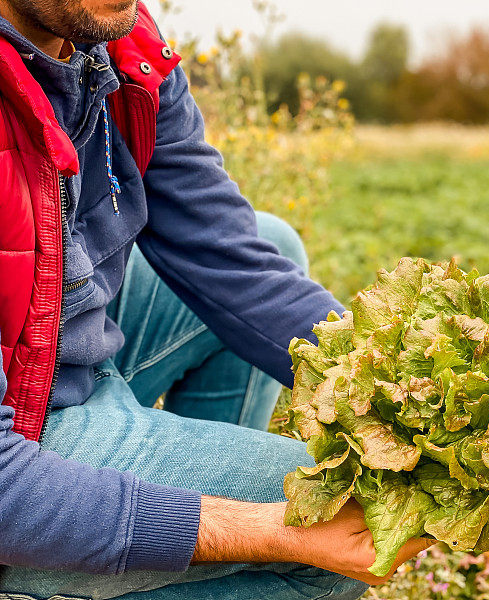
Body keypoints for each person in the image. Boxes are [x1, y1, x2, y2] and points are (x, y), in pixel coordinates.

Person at [0, 0, 431, 598]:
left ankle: (143, 557)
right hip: (21, 441)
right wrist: (264, 533)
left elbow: (226, 253)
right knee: (345, 528)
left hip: (59, 356)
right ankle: (72, 560)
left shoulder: (122, 49)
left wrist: (426, 398)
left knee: (273, 240)